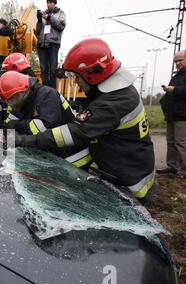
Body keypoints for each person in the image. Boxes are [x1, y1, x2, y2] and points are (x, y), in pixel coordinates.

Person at [11, 38, 155, 204]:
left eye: (76, 77)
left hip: (131, 184)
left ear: (92, 73)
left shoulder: (114, 102)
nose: (77, 84)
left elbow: (74, 132)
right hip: (128, 169)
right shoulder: (118, 93)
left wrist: (24, 140)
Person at [0, 70, 91, 169]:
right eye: (8, 101)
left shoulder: (46, 94)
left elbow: (44, 127)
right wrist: (4, 135)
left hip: (73, 157)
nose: (11, 104)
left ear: (23, 91)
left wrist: (17, 127)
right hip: (53, 155)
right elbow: (9, 123)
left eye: (12, 100)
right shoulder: (21, 102)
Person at [158, 50, 186, 179]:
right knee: (170, 142)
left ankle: (184, 170)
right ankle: (172, 167)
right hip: (172, 114)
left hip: (182, 116)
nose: (178, 63)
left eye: (180, 60)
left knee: (180, 142)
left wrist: (174, 89)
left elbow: (181, 91)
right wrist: (164, 99)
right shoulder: (177, 76)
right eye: (176, 61)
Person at [36, 0, 66, 89]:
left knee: (53, 71)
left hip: (53, 44)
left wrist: (49, 18)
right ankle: (45, 91)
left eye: (51, 2)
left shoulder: (61, 13)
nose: (49, 4)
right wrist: (39, 20)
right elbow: (38, 31)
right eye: (48, 2)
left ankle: (52, 92)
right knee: (43, 71)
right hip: (42, 45)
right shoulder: (43, 14)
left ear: (55, 3)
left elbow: (61, 26)